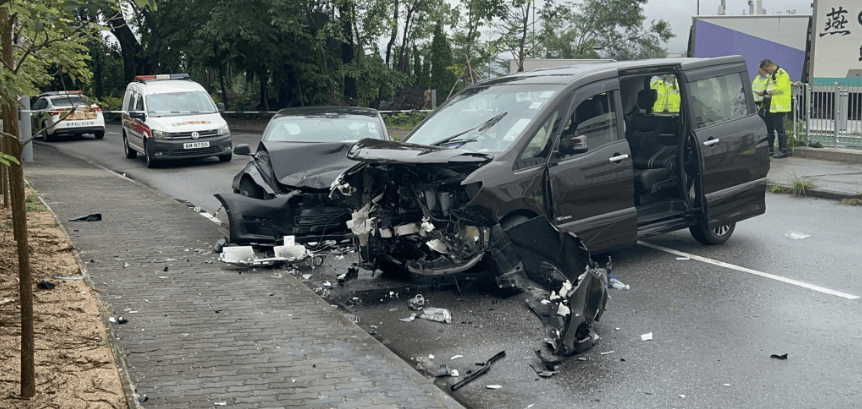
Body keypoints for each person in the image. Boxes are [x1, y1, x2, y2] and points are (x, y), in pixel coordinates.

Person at [757, 59, 792, 158]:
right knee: (769, 129)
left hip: (778, 106)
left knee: (780, 129)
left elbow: (779, 89)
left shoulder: (781, 74)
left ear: (771, 66)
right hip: (771, 105)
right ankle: (770, 150)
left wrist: (765, 92)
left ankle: (783, 151)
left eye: (767, 70)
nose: (766, 72)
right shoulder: (773, 75)